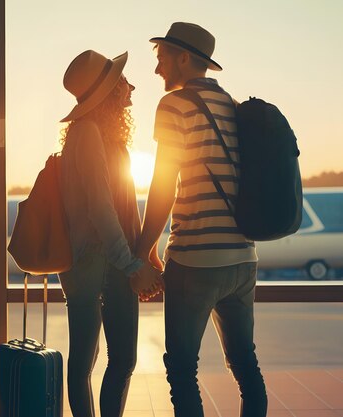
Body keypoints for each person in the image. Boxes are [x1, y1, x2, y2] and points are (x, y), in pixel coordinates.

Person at [134, 22, 268, 417]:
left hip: (195, 259)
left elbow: (163, 186)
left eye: (161, 59)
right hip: (243, 258)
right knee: (246, 366)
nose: (158, 69)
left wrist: (145, 251)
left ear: (184, 58)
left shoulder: (173, 105)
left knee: (181, 370)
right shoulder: (230, 104)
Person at [57, 49, 162, 417]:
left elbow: (122, 208)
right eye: (123, 81)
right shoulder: (87, 134)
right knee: (86, 362)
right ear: (110, 92)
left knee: (120, 359)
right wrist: (132, 265)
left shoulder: (103, 136)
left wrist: (143, 256)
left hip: (114, 260)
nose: (131, 86)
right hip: (95, 263)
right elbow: (101, 209)